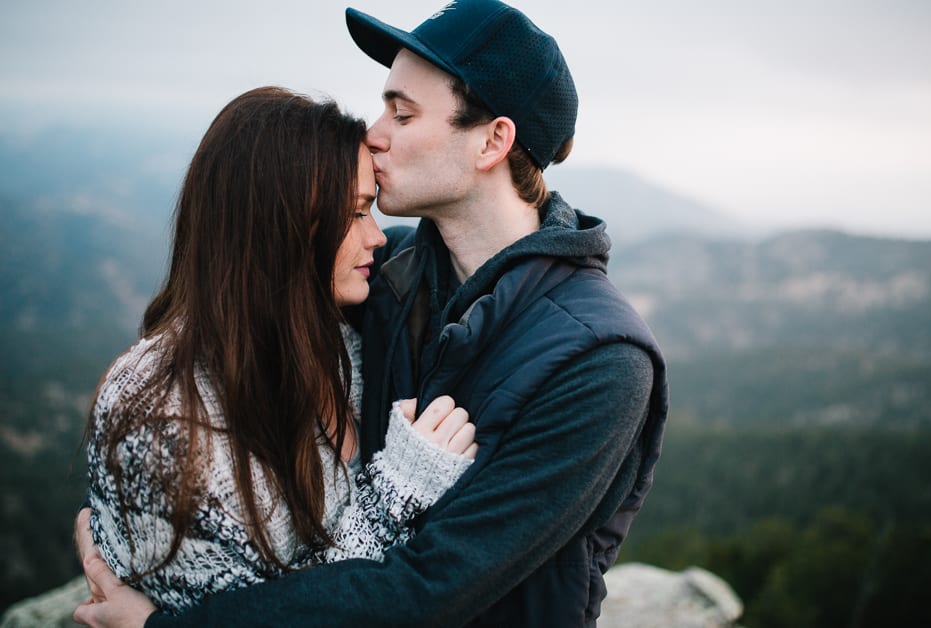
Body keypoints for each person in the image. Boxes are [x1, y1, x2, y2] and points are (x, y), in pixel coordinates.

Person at [74, 1, 668, 626]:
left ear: (493, 141)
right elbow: (245, 308)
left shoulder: (601, 363)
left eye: (402, 113)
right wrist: (123, 527)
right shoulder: (383, 273)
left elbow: (431, 586)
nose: (374, 133)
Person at [73, 86, 477, 619]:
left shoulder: (339, 339)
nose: (378, 238)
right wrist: (397, 493)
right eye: (356, 212)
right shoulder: (162, 419)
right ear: (279, 226)